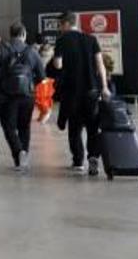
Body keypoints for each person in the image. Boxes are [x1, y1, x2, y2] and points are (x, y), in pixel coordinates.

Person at [53, 12, 111, 176]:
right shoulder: (91, 39)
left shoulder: (62, 40)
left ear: (65, 24)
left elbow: (57, 64)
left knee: (75, 128)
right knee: (93, 128)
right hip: (91, 91)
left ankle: (78, 161)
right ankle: (93, 158)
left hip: (72, 92)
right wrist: (105, 87)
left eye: (59, 25)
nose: (59, 28)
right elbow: (100, 64)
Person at [0, 22, 45, 171]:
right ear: (23, 34)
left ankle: (18, 153)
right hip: (27, 95)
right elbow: (42, 76)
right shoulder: (32, 51)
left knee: (8, 127)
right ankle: (23, 158)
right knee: (24, 127)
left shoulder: (1, 49)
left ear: (10, 34)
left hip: (7, 95)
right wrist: (31, 84)